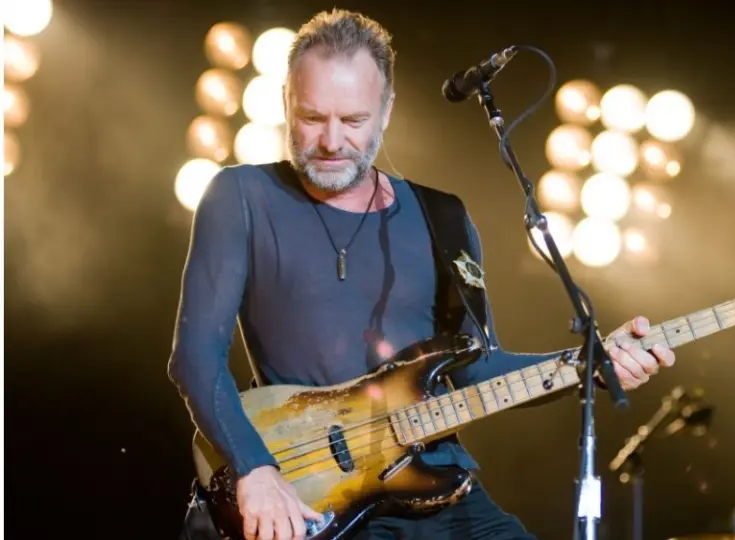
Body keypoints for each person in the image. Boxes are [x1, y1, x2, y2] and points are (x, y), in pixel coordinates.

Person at [168, 8, 676, 540]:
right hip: (313, 494)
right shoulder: (242, 195)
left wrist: (590, 362)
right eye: (312, 117)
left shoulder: (443, 218)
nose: (331, 141)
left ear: (386, 110)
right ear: (285, 102)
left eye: (354, 121)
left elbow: (477, 366)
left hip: (436, 485)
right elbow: (195, 356)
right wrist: (256, 469)